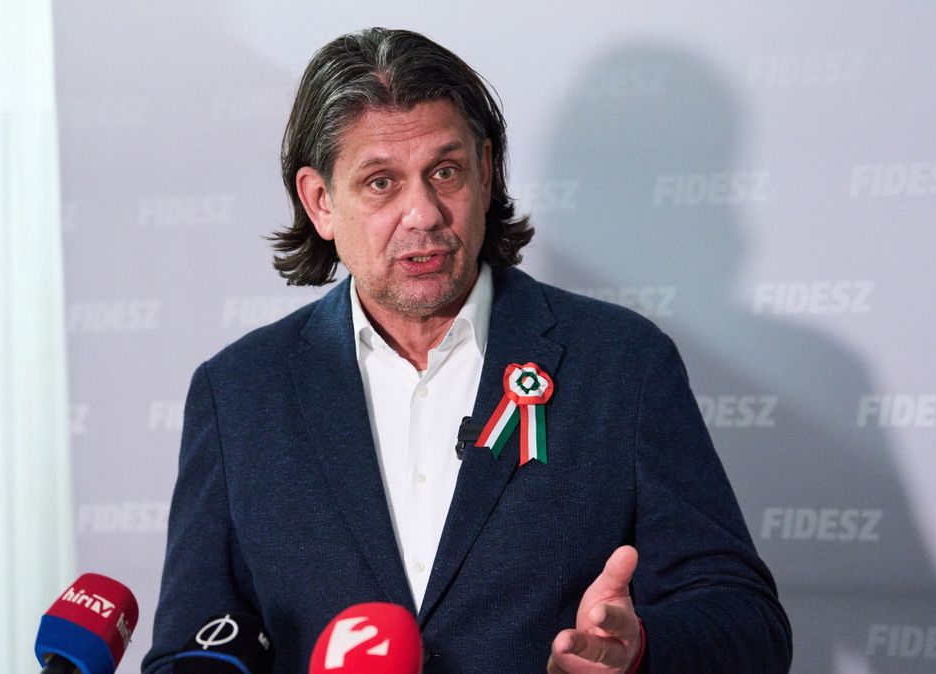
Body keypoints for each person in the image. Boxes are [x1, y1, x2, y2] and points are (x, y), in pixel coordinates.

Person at [143, 27, 791, 673]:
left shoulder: (623, 364)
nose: (423, 213)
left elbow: (748, 623)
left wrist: (639, 650)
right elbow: (193, 649)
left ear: (485, 173)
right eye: (381, 182)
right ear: (321, 202)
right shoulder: (239, 394)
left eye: (445, 172)